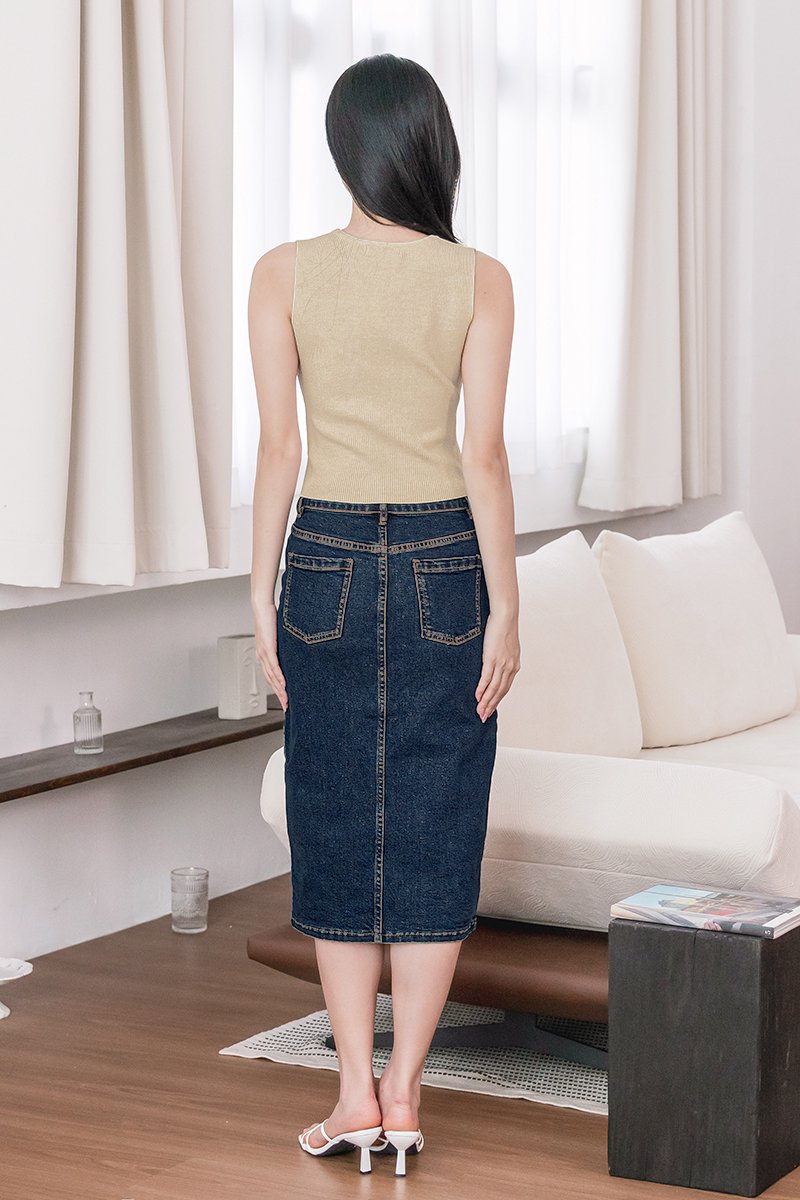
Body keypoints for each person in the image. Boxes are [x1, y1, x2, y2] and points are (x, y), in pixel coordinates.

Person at [248, 52, 519, 1176]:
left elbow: (279, 449)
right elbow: (484, 455)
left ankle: (352, 1093)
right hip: (445, 560)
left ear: (342, 149)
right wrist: (506, 607)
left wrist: (259, 597)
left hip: (320, 559)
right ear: (429, 146)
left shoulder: (282, 272)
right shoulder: (479, 278)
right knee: (436, 813)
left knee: (331, 811)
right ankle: (405, 1091)